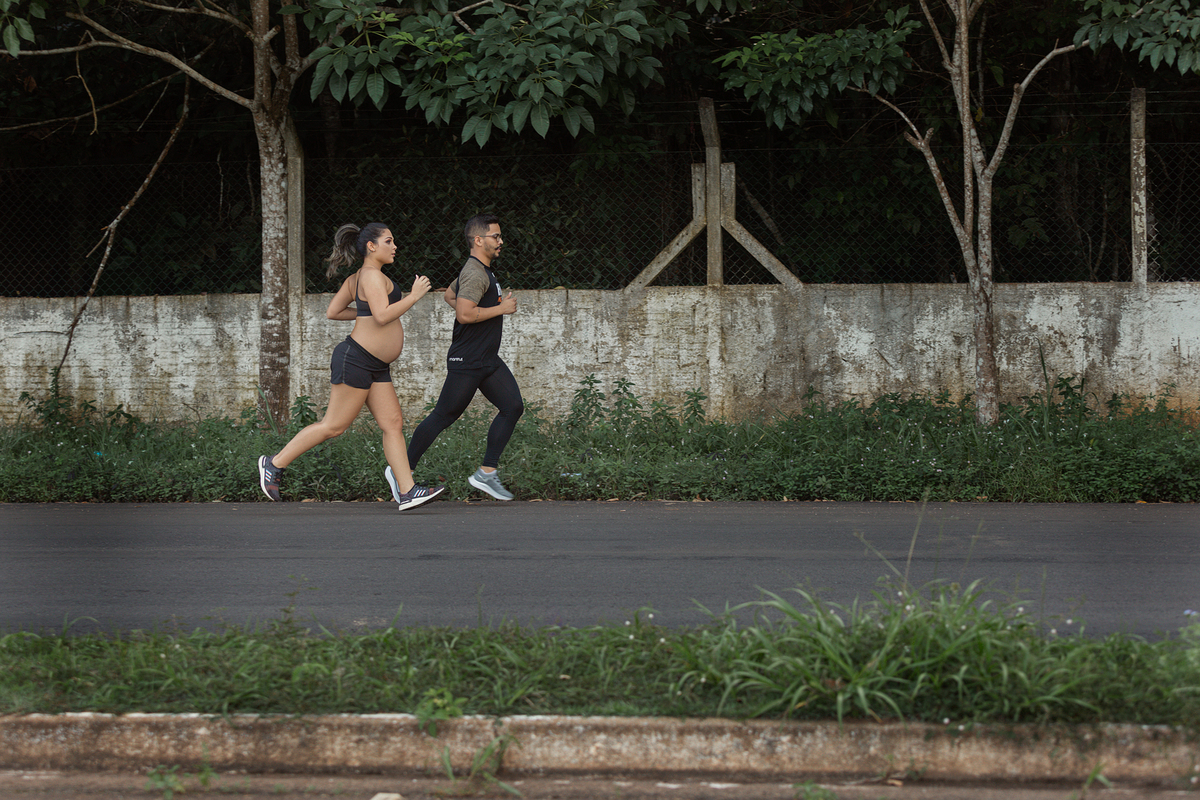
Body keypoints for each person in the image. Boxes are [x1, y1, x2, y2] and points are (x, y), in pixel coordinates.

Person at [257, 222, 445, 511]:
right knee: (334, 426)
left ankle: (407, 491)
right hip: (357, 359)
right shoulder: (370, 276)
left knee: (392, 423)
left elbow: (335, 311)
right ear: (371, 246)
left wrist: (365, 317)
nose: (394, 247)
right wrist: (413, 296)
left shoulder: (358, 278)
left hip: (374, 364)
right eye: (389, 241)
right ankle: (274, 464)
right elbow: (382, 316)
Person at [406, 213, 523, 500]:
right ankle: (402, 473)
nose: (501, 241)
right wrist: (501, 309)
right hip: (468, 360)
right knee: (444, 416)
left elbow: (450, 296)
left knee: (512, 406)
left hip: (486, 359)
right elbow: (464, 312)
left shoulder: (478, 270)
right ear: (478, 240)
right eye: (495, 236)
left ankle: (486, 473)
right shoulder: (475, 272)